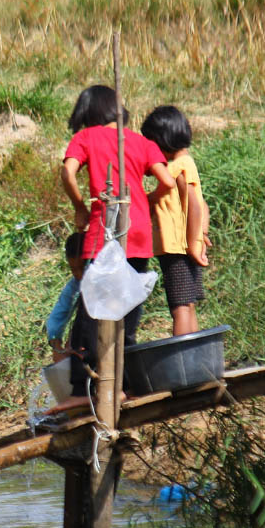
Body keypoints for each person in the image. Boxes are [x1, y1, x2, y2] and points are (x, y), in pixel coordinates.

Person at [60, 85, 177, 396]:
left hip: (105, 234)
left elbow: (68, 173)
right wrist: (146, 201)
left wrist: (80, 207)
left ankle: (78, 391)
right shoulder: (139, 141)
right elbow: (167, 182)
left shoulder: (86, 138)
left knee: (90, 315)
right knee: (126, 313)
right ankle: (124, 387)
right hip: (138, 233)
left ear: (90, 112)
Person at [140, 105, 211, 336]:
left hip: (176, 246)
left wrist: (191, 243)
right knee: (189, 305)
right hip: (189, 244)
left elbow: (193, 205)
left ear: (161, 141)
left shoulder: (176, 167)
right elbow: (203, 205)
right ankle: (195, 358)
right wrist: (201, 236)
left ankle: (183, 359)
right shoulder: (188, 163)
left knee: (179, 307)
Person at [45, 232, 85, 362]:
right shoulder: (75, 284)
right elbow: (58, 315)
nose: (79, 274)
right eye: (74, 270)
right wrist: (57, 347)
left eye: (83, 268)